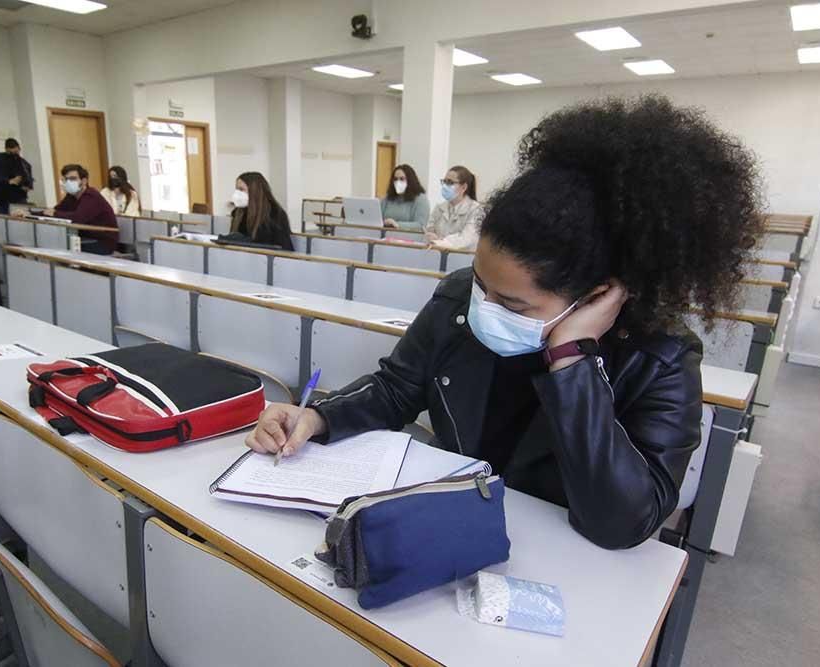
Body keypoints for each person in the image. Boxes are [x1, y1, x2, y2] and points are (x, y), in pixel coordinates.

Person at [245, 95, 764, 550]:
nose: (484, 309)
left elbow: (624, 522)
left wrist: (571, 358)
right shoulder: (458, 299)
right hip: (451, 524)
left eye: (513, 305)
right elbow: (397, 387)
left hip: (560, 558)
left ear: (598, 296)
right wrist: (319, 418)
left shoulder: (661, 358)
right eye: (480, 284)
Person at [19, 164, 117, 255]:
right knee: (51, 244)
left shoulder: (91, 196)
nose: (68, 182)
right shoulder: (71, 196)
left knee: (59, 248)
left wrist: (54, 213)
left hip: (102, 242)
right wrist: (29, 214)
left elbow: (77, 218)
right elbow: (53, 211)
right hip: (83, 238)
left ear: (84, 181)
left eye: (73, 179)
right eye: (66, 179)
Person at [229, 172, 294, 251]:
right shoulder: (238, 213)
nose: (237, 194)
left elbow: (278, 247)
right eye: (236, 189)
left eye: (241, 189)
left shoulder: (275, 214)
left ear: (255, 191)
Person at [425, 165, 485, 251]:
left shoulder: (476, 210)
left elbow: (466, 239)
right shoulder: (439, 208)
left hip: (463, 259)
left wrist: (439, 241)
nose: (445, 186)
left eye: (450, 182)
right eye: (444, 181)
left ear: (464, 187)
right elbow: (429, 231)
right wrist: (430, 237)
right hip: (437, 256)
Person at [0, 138, 33, 215]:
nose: (15, 155)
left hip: (19, 196)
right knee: (4, 220)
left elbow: (28, 178)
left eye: (17, 152)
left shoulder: (24, 163)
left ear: (19, 149)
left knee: (23, 219)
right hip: (3, 196)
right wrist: (9, 181)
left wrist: (27, 186)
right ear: (6, 149)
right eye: (12, 152)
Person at [379, 164, 429, 231]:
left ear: (410, 180)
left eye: (402, 179)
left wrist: (396, 224)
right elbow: (378, 219)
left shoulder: (421, 199)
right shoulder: (387, 198)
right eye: (395, 179)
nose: (398, 182)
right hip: (385, 238)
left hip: (409, 239)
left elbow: (421, 225)